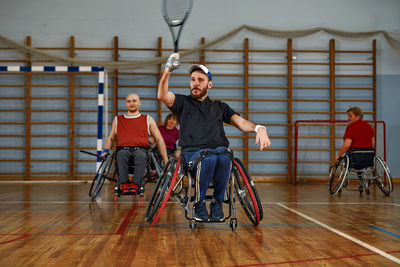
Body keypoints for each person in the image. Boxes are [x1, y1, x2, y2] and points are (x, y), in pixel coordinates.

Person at [158, 54, 271, 222]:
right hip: (193, 153)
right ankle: (199, 204)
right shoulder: (182, 102)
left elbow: (240, 122)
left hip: (219, 150)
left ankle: (217, 203)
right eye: (193, 79)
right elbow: (162, 95)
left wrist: (258, 128)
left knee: (225, 158)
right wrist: (167, 70)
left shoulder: (219, 107)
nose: (195, 83)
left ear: (209, 84)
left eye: (200, 80)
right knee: (209, 159)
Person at [102, 93, 168, 194]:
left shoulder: (148, 119)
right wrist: (106, 150)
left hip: (141, 149)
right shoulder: (117, 120)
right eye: (129, 101)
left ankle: (135, 184)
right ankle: (124, 184)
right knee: (121, 154)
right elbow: (111, 138)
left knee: (140, 155)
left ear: (139, 103)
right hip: (123, 149)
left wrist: (165, 159)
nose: (132, 103)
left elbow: (159, 139)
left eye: (134, 101)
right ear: (126, 104)